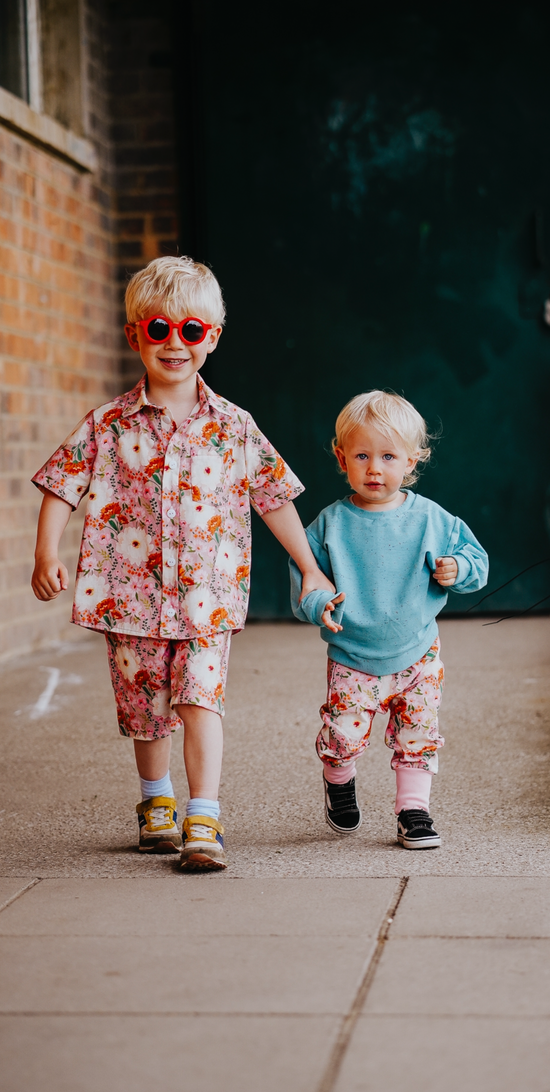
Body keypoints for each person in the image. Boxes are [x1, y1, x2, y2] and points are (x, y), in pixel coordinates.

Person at [31, 255, 332, 871]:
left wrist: (310, 567)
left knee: (200, 700)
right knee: (145, 714)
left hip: (206, 598)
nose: (175, 343)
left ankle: (204, 816)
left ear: (212, 337)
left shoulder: (233, 426)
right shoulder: (108, 423)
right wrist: (46, 550)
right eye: (159, 328)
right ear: (135, 334)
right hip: (128, 598)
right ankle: (155, 802)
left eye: (191, 330)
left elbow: (272, 498)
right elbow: (62, 482)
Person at [290, 390, 488, 849]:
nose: (374, 468)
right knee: (341, 736)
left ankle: (413, 812)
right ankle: (339, 781)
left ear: (412, 460)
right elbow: (306, 585)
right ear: (341, 458)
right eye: (361, 455)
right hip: (353, 654)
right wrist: (320, 605)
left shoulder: (433, 520)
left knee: (418, 733)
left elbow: (476, 561)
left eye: (387, 456)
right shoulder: (329, 524)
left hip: (418, 651)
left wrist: (457, 569)